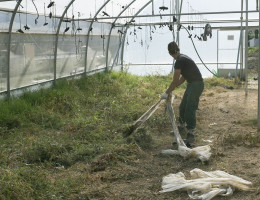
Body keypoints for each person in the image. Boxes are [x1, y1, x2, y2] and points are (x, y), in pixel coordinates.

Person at [161, 41, 204, 147]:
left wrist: (166, 92)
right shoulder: (184, 57)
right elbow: (184, 77)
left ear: (170, 53)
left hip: (196, 84)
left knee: (190, 107)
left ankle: (190, 133)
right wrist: (174, 87)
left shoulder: (179, 61)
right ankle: (181, 126)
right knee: (183, 105)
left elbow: (175, 80)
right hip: (192, 83)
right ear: (178, 49)